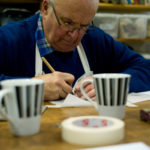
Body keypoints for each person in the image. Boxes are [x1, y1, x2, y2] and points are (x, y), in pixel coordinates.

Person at [1, 0, 150, 101]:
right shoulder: (8, 39)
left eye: (84, 26)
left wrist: (111, 85)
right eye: (67, 23)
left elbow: (145, 67)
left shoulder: (94, 38)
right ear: (45, 9)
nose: (75, 35)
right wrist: (31, 87)